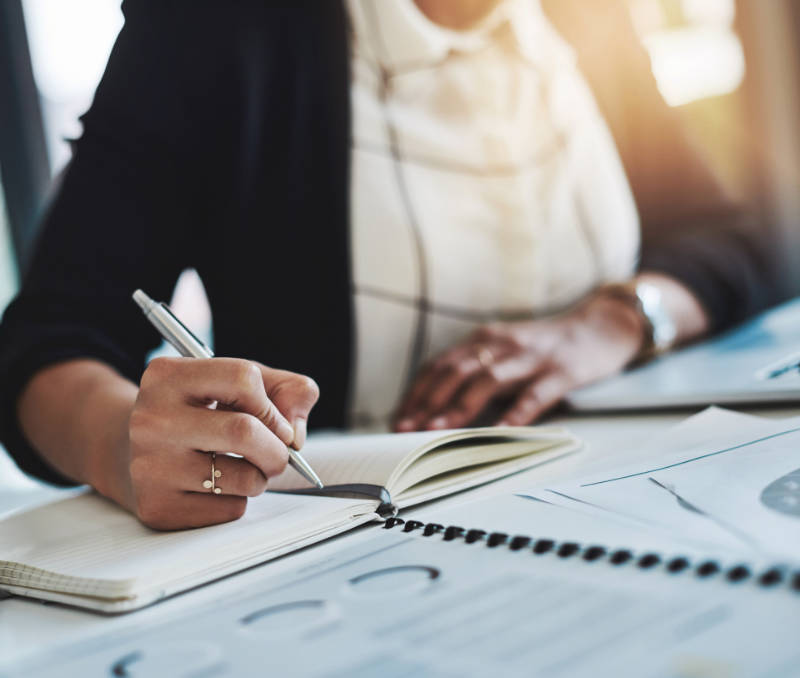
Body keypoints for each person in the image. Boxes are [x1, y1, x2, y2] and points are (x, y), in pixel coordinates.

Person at [0, 0, 778, 529]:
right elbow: (47, 343)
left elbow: (746, 233)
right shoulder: (213, 25)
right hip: (354, 537)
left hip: (645, 501)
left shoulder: (587, 17)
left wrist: (611, 322)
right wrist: (119, 448)